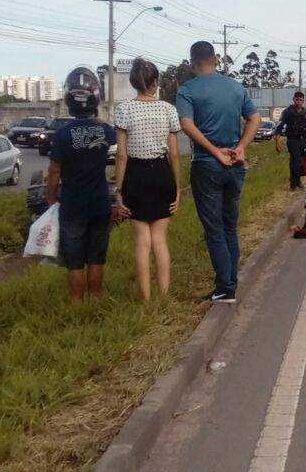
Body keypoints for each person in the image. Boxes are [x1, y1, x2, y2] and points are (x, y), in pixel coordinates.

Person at [176, 40, 262, 303]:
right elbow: (255, 118)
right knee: (229, 226)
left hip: (207, 164)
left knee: (213, 228)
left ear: (193, 62)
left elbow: (186, 125)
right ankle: (230, 283)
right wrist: (241, 147)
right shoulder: (236, 87)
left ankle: (225, 288)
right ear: (215, 59)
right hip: (235, 164)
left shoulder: (187, 90)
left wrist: (214, 151)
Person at [45, 66, 117, 299]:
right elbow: (123, 154)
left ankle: (77, 305)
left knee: (75, 262)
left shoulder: (62, 135)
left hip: (72, 205)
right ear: (96, 100)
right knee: (97, 258)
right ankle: (96, 298)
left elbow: (54, 171)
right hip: (99, 203)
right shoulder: (106, 131)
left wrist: (51, 199)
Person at [114, 58, 182, 301]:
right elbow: (174, 154)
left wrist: (118, 190)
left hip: (136, 175)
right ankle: (164, 295)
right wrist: (178, 189)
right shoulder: (168, 109)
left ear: (134, 83)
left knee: (142, 242)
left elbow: (121, 155)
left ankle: (146, 298)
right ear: (156, 82)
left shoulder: (123, 109)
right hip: (162, 174)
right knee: (160, 240)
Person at [273, 90, 306, 190]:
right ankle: (293, 184)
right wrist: (277, 143)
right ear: (293, 100)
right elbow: (279, 127)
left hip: (304, 140)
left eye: (301, 100)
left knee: (303, 162)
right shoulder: (288, 111)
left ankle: (298, 181)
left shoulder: (305, 111)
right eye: (297, 99)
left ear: (303, 101)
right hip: (293, 140)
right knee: (295, 162)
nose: (299, 101)